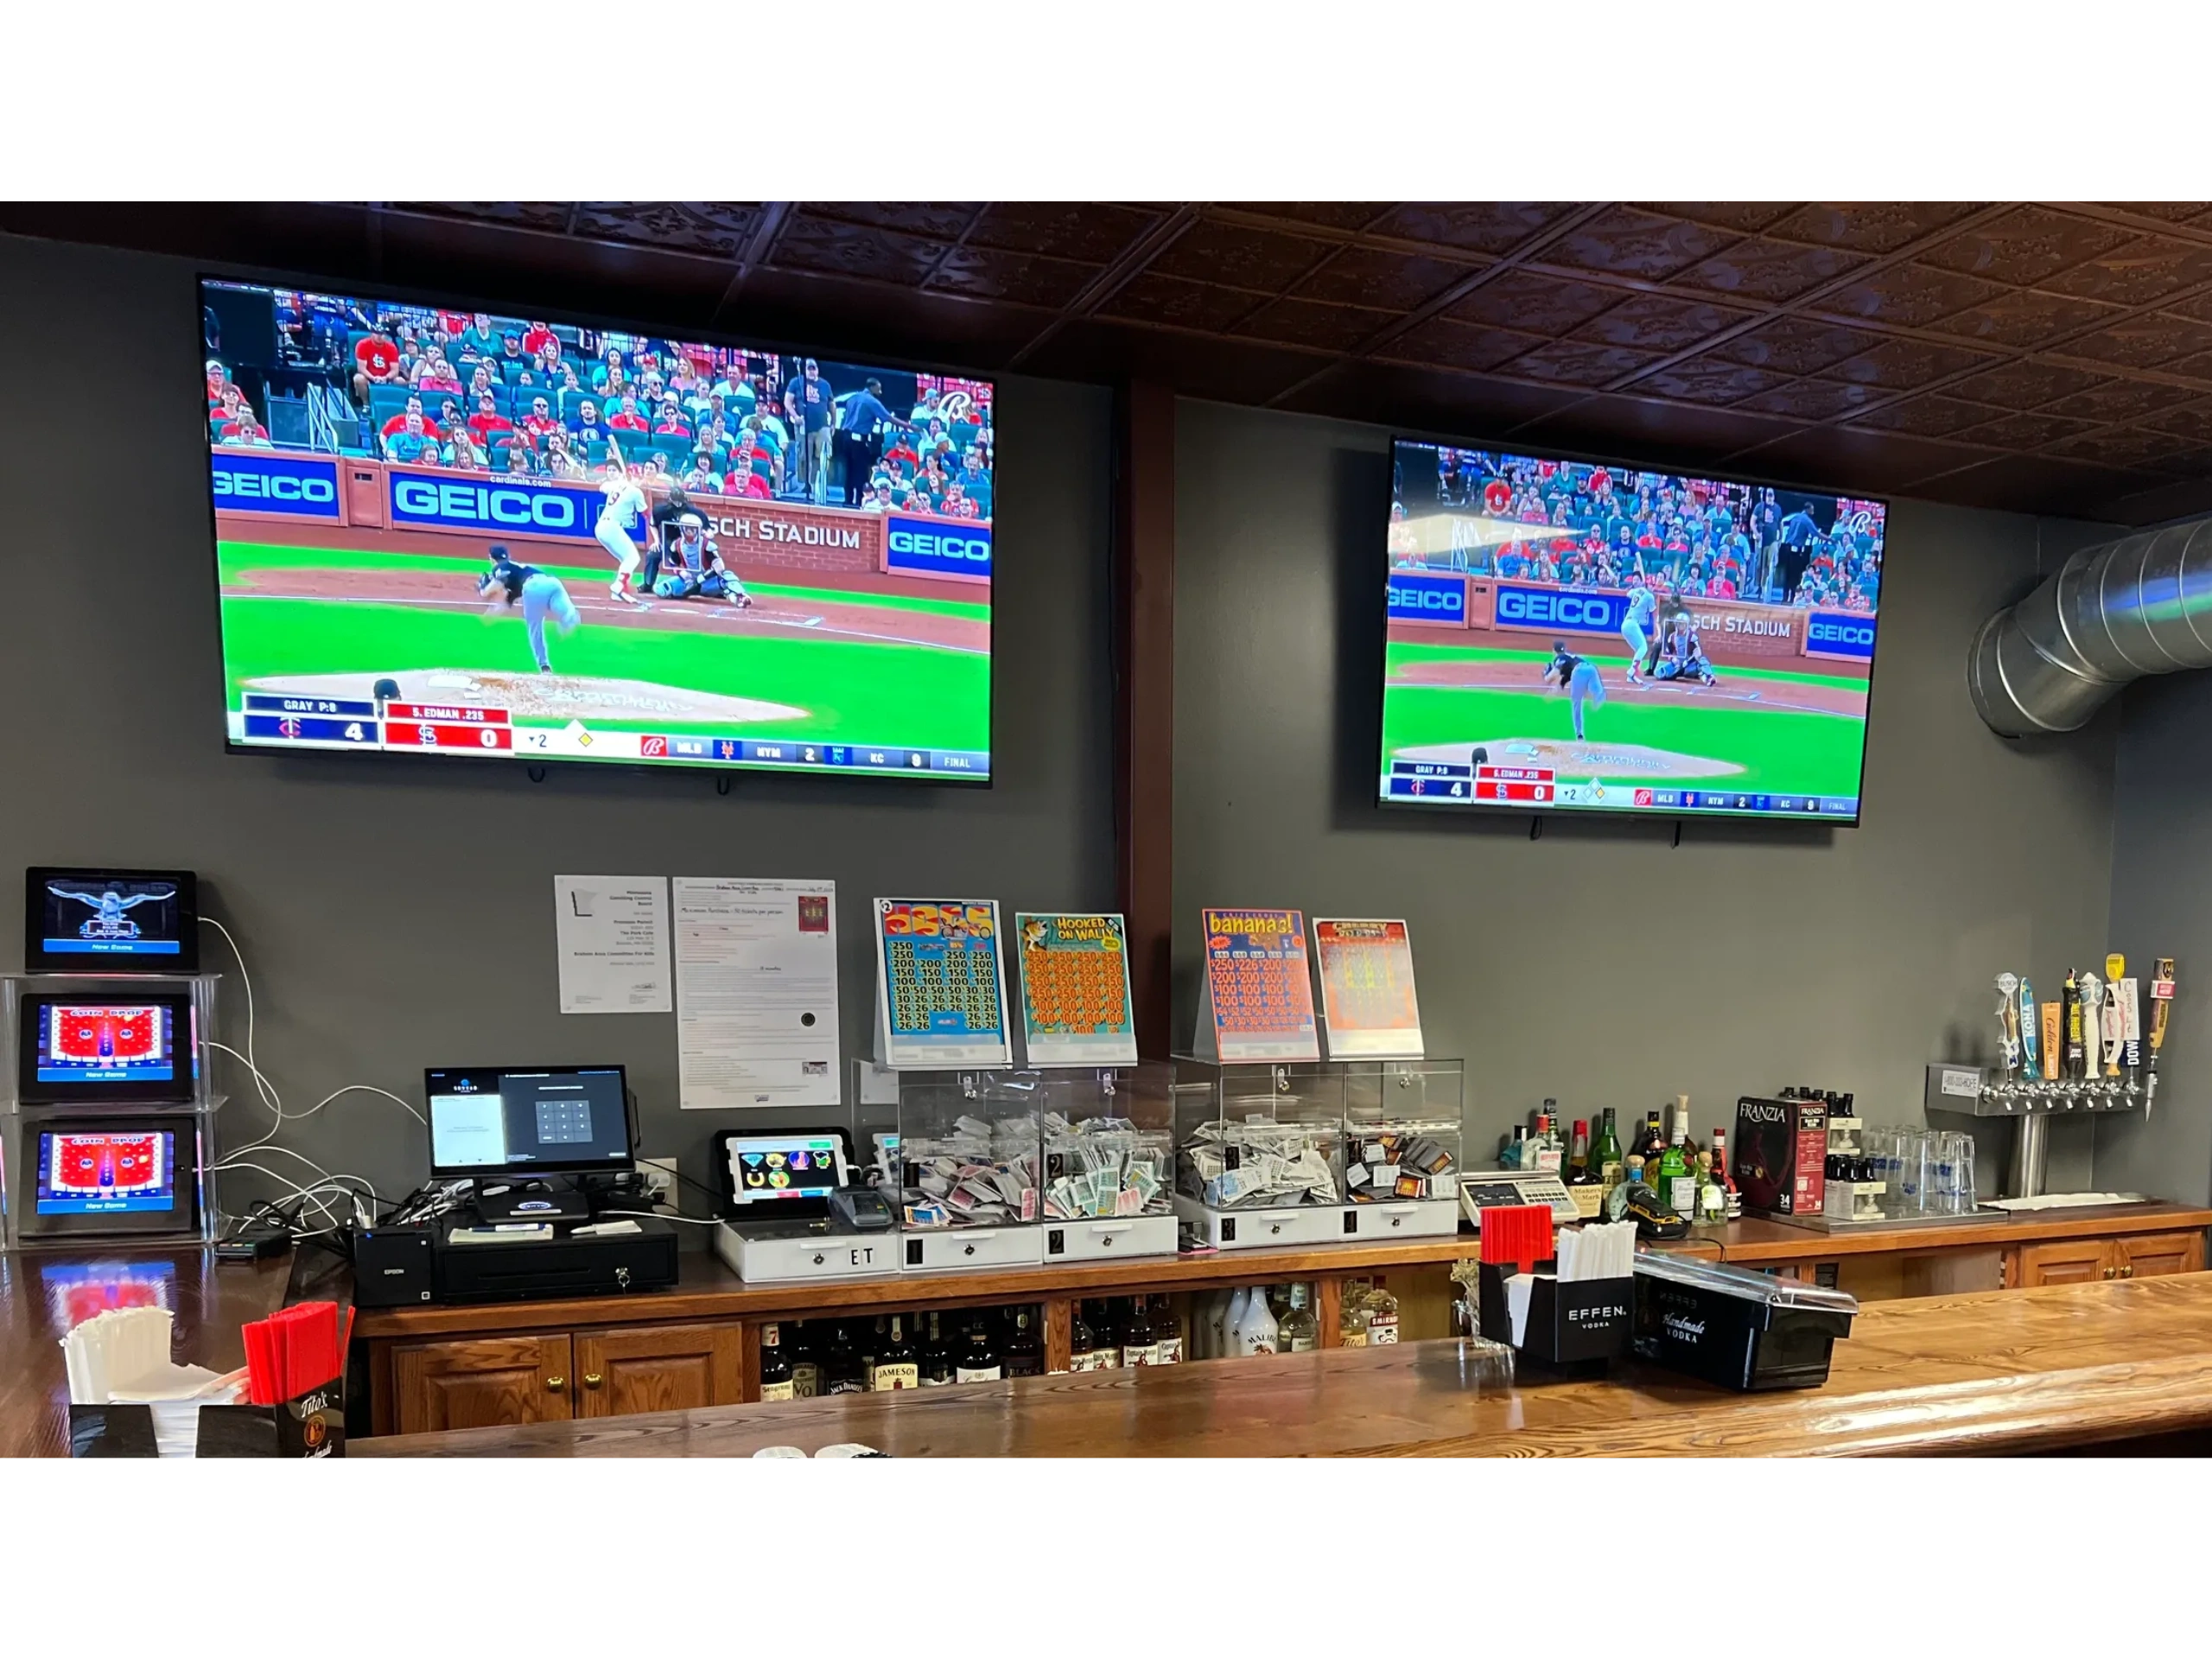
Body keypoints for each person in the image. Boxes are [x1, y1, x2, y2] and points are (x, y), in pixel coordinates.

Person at [479, 544, 580, 674]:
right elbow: (505, 603)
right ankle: (569, 616)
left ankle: (544, 666)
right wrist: (489, 615)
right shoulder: (516, 571)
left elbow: (497, 583)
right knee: (562, 609)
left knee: (535, 627)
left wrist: (484, 591)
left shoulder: (500, 567)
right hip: (552, 583)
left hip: (532, 587)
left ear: (492, 559)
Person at [833, 375, 909, 507]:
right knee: (861, 473)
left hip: (845, 439)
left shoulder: (853, 397)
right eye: (878, 389)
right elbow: (888, 418)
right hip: (858, 442)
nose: (880, 392)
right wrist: (907, 426)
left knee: (848, 471)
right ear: (872, 387)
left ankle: (847, 502)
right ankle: (859, 503)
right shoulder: (872, 401)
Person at [595, 431, 648, 606]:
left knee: (626, 559)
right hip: (611, 527)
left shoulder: (615, 485)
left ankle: (618, 592)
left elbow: (602, 487)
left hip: (600, 527)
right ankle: (618, 586)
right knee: (633, 558)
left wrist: (619, 483)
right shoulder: (636, 492)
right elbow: (645, 513)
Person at [784, 358, 836, 504]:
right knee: (804, 456)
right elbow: (787, 401)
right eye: (809, 369)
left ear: (817, 370)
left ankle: (822, 482)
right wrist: (795, 416)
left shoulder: (825, 385)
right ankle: (807, 484)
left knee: (824, 455)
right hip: (803, 425)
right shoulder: (796, 382)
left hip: (822, 426)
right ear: (805, 369)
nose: (812, 371)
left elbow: (832, 405)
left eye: (814, 369)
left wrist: (833, 423)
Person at [1544, 639, 1605, 743]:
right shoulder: (1570, 658)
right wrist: (1552, 692)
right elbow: (1562, 682)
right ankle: (1598, 695)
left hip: (1578, 671)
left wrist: (1547, 673)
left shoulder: (1559, 658)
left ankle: (1579, 734)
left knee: (1576, 703)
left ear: (1554, 651)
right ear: (1565, 649)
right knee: (1596, 690)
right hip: (1591, 668)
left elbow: (1551, 677)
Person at [353, 325, 402, 405]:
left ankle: (396, 405)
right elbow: (361, 368)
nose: (380, 336)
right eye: (377, 333)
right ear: (372, 334)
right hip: (369, 377)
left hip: (386, 378)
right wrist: (373, 378)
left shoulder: (391, 347)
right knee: (358, 378)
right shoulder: (362, 344)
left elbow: (395, 370)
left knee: (400, 381)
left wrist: (386, 377)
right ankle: (366, 404)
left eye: (382, 334)